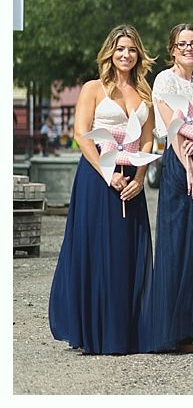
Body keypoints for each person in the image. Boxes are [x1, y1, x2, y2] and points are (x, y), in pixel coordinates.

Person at [49, 24, 156, 354]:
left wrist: (139, 179)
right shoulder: (93, 88)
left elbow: (150, 138)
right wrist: (108, 173)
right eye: (120, 49)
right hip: (99, 177)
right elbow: (82, 134)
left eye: (132, 49)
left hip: (132, 178)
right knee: (99, 251)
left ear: (139, 54)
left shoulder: (144, 91)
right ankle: (96, 330)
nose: (126, 55)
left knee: (128, 252)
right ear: (110, 53)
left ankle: (128, 330)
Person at [141, 23, 193, 353]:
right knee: (179, 240)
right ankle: (174, 328)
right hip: (178, 163)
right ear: (172, 49)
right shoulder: (164, 80)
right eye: (182, 43)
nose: (188, 48)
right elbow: (173, 129)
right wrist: (188, 167)